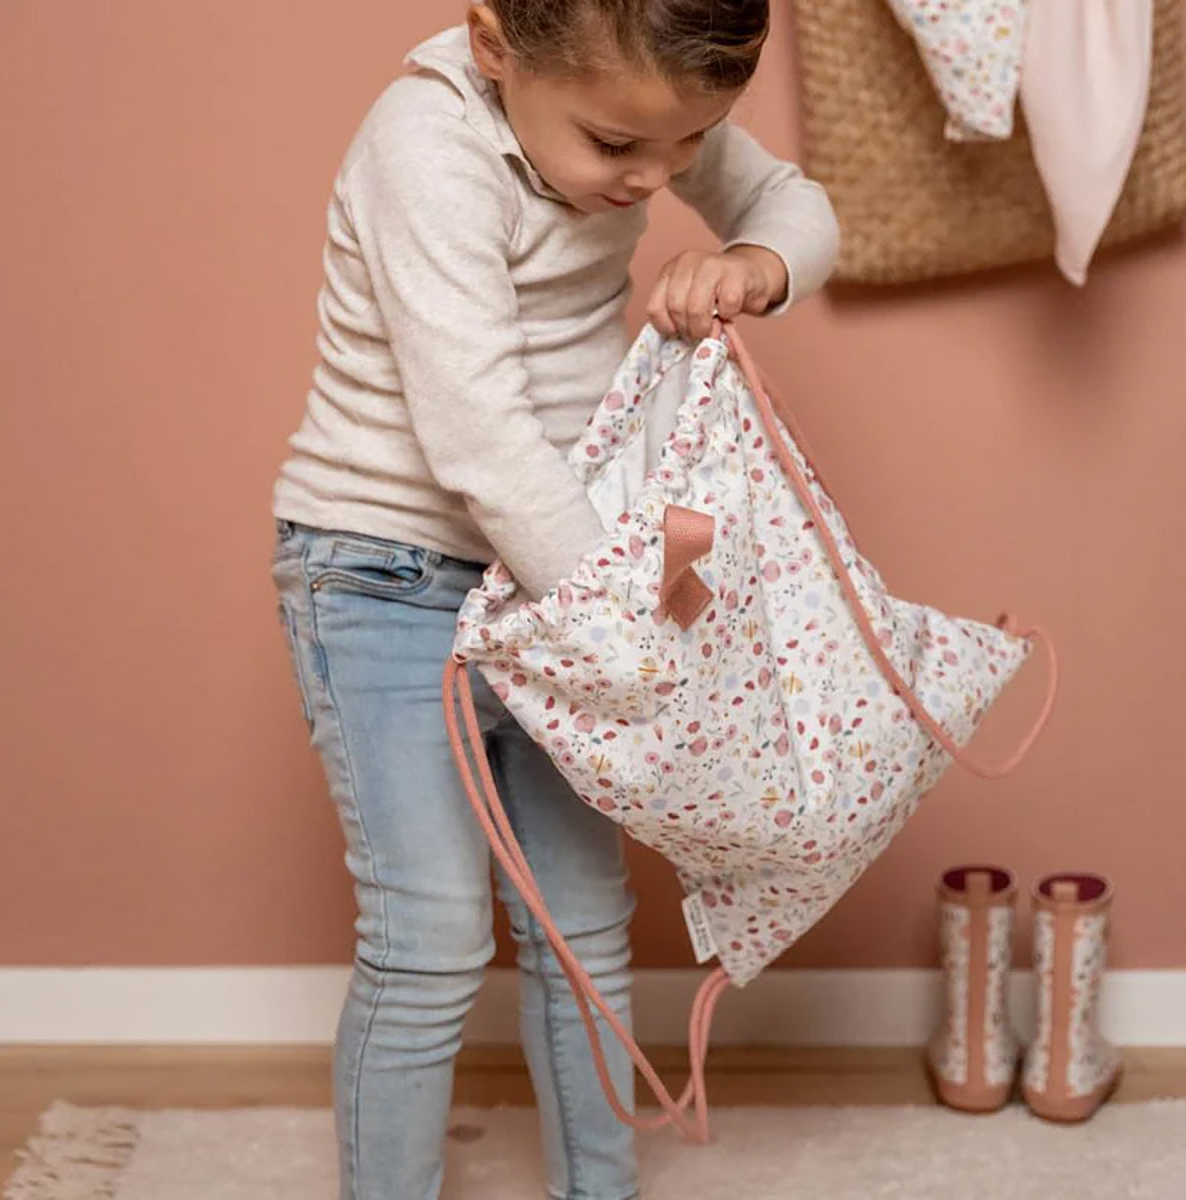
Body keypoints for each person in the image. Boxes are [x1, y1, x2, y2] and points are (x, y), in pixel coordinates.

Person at [271, 2, 838, 1196]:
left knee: (582, 921)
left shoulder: (642, 108)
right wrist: (626, 632)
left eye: (687, 149)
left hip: (553, 580)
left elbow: (797, 206)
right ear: (493, 45)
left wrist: (751, 262)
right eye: (617, 148)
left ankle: (601, 1185)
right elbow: (482, 438)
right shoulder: (424, 147)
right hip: (387, 578)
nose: (652, 181)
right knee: (426, 939)